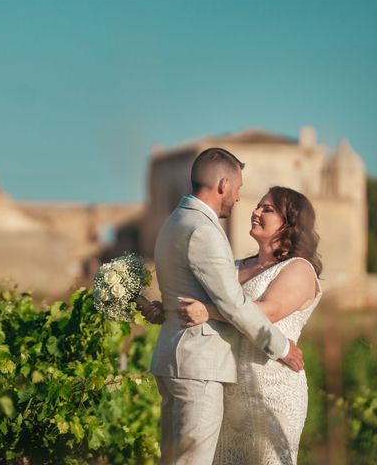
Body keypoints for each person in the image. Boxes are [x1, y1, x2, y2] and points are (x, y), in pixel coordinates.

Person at [135, 148, 304, 465]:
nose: (239, 199)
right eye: (239, 189)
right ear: (224, 184)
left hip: (175, 358)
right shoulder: (204, 230)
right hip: (197, 366)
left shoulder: (175, 221)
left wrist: (165, 310)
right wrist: (281, 347)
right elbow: (233, 303)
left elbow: (185, 292)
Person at [175, 186, 322, 464]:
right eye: (257, 206)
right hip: (227, 390)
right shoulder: (234, 266)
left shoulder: (299, 268)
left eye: (267, 209)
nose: (255, 212)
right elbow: (193, 301)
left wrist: (208, 311)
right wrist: (163, 306)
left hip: (273, 389)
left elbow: (268, 312)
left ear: (290, 223)